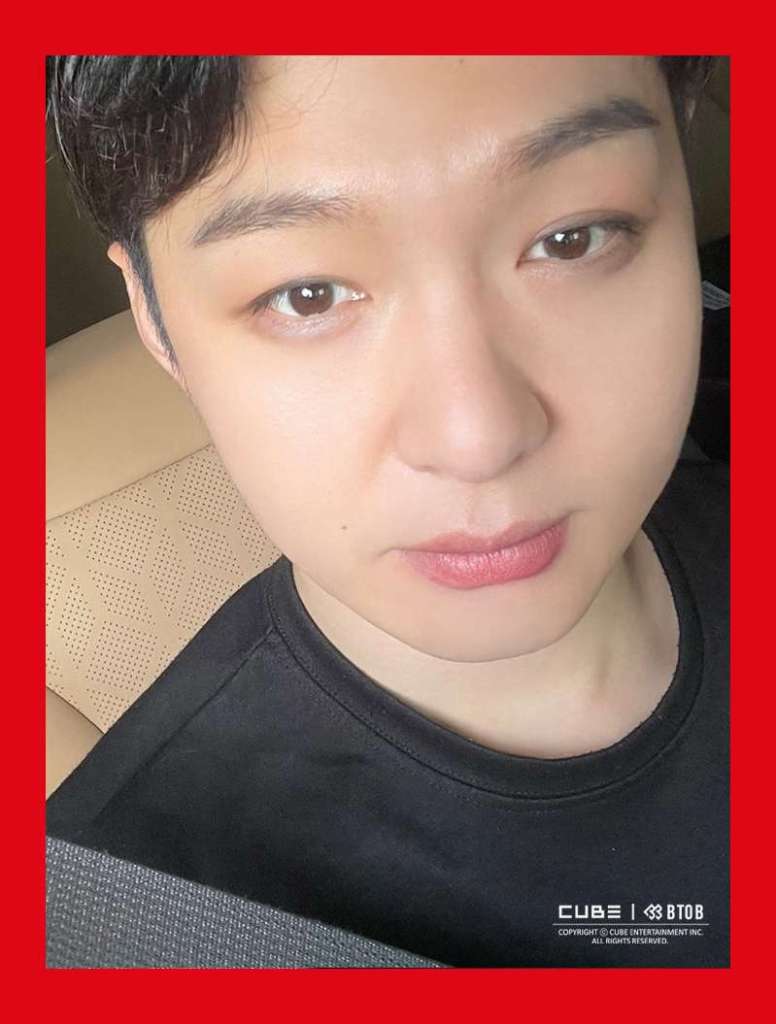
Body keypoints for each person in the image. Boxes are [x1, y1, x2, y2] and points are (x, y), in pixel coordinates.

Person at [45, 55, 728, 967]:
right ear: (155, 320)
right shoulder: (135, 932)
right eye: (307, 295)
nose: (478, 439)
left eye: (573, 239)